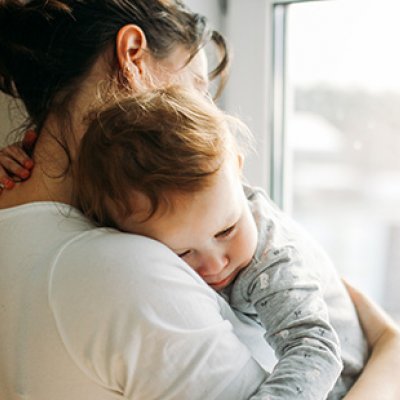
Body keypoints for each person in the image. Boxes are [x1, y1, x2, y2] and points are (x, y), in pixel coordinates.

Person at [0, 1, 399, 399]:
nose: (206, 115)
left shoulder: (31, 228)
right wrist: (391, 351)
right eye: (198, 88)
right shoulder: (123, 268)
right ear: (133, 57)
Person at [72, 85, 367, 399]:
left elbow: (315, 348)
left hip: (346, 383)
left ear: (238, 169)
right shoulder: (179, 216)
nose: (214, 264)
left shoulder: (273, 259)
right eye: (182, 252)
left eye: (226, 230)